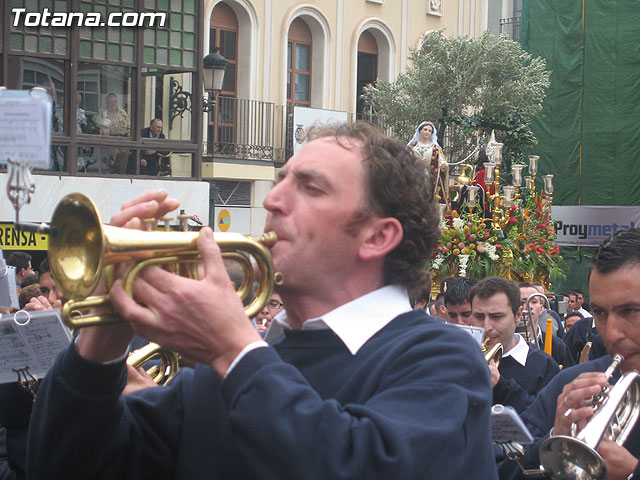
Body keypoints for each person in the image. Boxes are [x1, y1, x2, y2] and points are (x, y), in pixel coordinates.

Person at [27, 122, 498, 479]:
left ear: (378, 236)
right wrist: (102, 340)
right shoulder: (226, 372)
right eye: (281, 180)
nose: (273, 199)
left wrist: (233, 350)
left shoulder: (442, 359)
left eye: (309, 187)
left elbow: (357, 465)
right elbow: (66, 465)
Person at [499, 228, 640, 480]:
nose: (611, 333)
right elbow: (501, 470)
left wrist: (632, 473)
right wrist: (554, 440)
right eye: (600, 312)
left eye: (630, 311)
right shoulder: (570, 383)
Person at [469, 277, 559, 413]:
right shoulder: (461, 358)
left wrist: (500, 386)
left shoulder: (543, 365)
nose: (487, 327)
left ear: (517, 315)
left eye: (496, 317)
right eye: (479, 317)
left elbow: (545, 421)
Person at [519, 284, 573, 369]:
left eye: (533, 301)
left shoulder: (557, 346)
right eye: (522, 302)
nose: (529, 306)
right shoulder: (504, 345)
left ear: (541, 309)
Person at [407, 121, 449, 207]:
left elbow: (442, 161)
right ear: (420, 131)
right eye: (425, 129)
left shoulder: (436, 148)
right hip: (414, 177)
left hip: (429, 179)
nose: (427, 132)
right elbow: (405, 160)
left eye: (430, 131)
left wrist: (443, 165)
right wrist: (417, 162)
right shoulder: (412, 146)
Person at [97, 93, 131, 174]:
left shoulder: (122, 112)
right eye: (111, 101)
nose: (113, 103)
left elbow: (128, 126)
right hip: (111, 141)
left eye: (115, 101)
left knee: (123, 165)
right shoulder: (103, 112)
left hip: (123, 141)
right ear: (107, 103)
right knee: (112, 164)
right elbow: (100, 125)